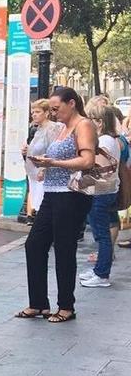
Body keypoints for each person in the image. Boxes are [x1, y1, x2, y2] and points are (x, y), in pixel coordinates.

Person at [16, 87, 96, 323]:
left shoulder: (84, 125)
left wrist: (55, 163)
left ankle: (66, 307)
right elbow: (57, 159)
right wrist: (45, 166)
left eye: (56, 108)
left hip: (71, 196)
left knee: (63, 249)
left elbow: (88, 160)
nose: (53, 113)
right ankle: (39, 303)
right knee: (34, 245)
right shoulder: (62, 128)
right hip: (52, 194)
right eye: (50, 109)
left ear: (71, 103)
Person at [76, 104, 121, 288]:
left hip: (100, 193)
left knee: (101, 236)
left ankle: (102, 274)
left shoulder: (104, 142)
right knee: (103, 234)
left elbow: (99, 171)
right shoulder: (110, 140)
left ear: (100, 122)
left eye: (92, 119)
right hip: (108, 192)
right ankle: (99, 271)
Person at [22, 99, 64, 224]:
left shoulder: (52, 128)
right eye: (32, 112)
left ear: (46, 113)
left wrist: (43, 169)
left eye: (37, 112)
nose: (34, 114)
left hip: (45, 172)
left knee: (44, 204)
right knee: (38, 202)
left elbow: (53, 150)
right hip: (33, 171)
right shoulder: (35, 129)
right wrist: (26, 151)